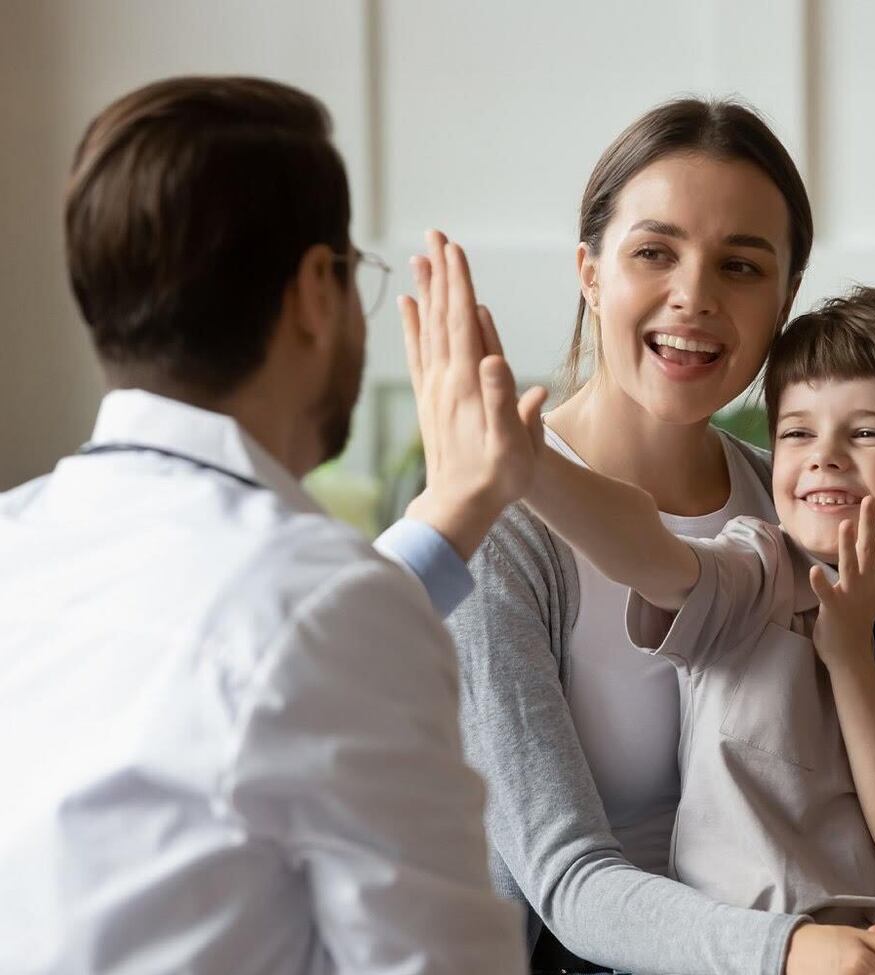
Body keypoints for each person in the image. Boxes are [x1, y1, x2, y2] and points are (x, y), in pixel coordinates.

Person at [425, 98, 875, 975]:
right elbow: (564, 875)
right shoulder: (498, 531)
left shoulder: (800, 499)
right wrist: (791, 951)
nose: (696, 297)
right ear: (590, 272)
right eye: (655, 252)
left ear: (785, 299)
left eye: (741, 266)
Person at [0, 76, 544, 974]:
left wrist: (458, 506)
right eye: (352, 271)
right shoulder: (325, 605)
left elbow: (249, 660)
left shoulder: (17, 540)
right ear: (314, 292)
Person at [519, 284, 875, 931]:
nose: (823, 456)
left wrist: (850, 659)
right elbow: (649, 555)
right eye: (797, 432)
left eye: (867, 432)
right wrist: (527, 464)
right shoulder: (755, 570)